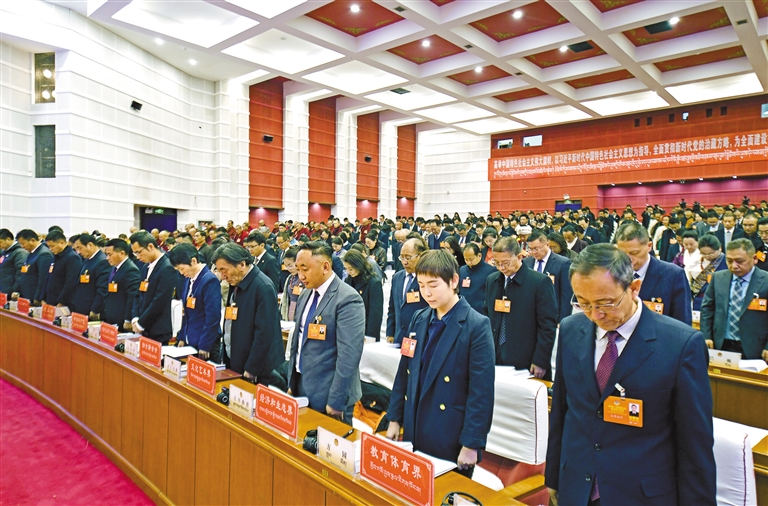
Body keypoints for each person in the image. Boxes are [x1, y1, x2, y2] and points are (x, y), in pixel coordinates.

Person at [546, 244, 716, 506]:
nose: (596, 314)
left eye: (606, 303)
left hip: (641, 494)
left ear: (634, 288)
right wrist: (554, 478)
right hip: (577, 486)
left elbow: (695, 442)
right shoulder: (571, 329)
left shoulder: (680, 344)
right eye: (584, 303)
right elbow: (562, 411)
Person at [386, 250, 495, 477]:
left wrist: (472, 443)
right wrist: (395, 418)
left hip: (449, 432)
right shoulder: (419, 318)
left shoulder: (476, 325)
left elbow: (481, 392)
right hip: (415, 423)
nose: (426, 292)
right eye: (421, 285)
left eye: (433, 285)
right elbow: (404, 372)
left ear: (454, 281)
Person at [287, 241, 365, 424]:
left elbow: (349, 355)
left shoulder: (348, 299)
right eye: (298, 269)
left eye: (305, 269)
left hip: (329, 393)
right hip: (301, 386)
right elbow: (298, 341)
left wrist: (336, 400)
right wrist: (292, 382)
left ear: (325, 266)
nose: (300, 276)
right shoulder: (306, 294)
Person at [484, 237, 557, 379]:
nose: (501, 267)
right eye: (497, 263)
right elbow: (487, 316)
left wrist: (540, 360)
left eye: (506, 263)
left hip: (527, 358)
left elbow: (547, 326)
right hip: (496, 354)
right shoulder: (492, 280)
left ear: (519, 257)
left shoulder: (539, 282)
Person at [213, 243, 284, 382]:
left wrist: (252, 367)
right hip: (235, 358)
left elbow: (264, 333)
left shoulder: (262, 287)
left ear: (241, 264)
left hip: (255, 368)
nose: (222, 276)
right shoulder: (236, 282)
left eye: (224, 270)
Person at [700, 238, 768, 361]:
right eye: (729, 261)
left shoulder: (765, 281)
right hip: (720, 343)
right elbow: (707, 309)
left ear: (754, 259)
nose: (734, 266)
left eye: (739, 261)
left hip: (756, 346)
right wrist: (706, 336)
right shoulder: (718, 278)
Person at [614, 221, 692, 325]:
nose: (629, 259)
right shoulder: (611, 274)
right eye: (623, 254)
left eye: (634, 253)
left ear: (649, 246)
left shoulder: (673, 274)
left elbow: (682, 322)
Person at [169, 243, 222, 362]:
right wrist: (182, 337)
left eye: (181, 269)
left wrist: (205, 344)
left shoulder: (209, 280)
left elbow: (213, 316)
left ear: (193, 261)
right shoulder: (188, 279)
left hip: (205, 342)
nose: (181, 273)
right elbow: (186, 313)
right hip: (190, 339)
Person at [130, 231, 176, 344]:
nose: (138, 257)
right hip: (142, 327)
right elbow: (138, 294)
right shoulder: (145, 267)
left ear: (150, 246)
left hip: (157, 330)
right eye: (135, 253)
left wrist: (141, 323)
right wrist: (135, 318)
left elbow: (160, 300)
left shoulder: (167, 267)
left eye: (139, 252)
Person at [523, 229, 573, 323]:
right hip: (530, 316)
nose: (534, 252)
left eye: (536, 248)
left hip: (552, 316)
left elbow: (566, 296)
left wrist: (563, 321)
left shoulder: (563, 263)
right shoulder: (526, 263)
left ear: (547, 245)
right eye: (531, 249)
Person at [386, 238, 429, 344]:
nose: (404, 262)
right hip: (399, 337)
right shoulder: (397, 277)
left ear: (420, 256)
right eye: (402, 257)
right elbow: (392, 307)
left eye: (408, 258)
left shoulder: (427, 278)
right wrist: (390, 333)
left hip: (419, 337)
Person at [342, 249, 383, 340]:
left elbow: (375, 315)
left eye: (351, 269)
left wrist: (370, 337)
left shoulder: (373, 283)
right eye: (346, 269)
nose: (348, 272)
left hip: (366, 330)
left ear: (359, 265)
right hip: (350, 330)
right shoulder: (348, 281)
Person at [69, 233, 111, 319]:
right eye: (76, 249)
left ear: (90, 245)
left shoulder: (102, 261)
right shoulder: (87, 259)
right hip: (80, 307)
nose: (78, 252)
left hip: (90, 309)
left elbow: (102, 288)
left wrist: (95, 309)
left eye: (79, 248)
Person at [101, 238, 140, 329]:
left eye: (110, 254)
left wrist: (128, 319)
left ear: (121, 253)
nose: (107, 258)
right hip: (111, 315)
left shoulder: (130, 269)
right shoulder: (114, 268)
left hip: (121, 319)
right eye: (106, 255)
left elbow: (132, 296)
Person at [41, 230, 82, 308]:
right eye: (49, 246)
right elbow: (47, 278)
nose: (50, 249)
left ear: (62, 243)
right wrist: (43, 297)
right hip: (49, 300)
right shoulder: (55, 257)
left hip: (61, 303)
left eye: (52, 246)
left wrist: (62, 302)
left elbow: (70, 283)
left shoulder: (72, 257)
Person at [15, 229, 53, 304]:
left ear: (32, 240)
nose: (22, 246)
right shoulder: (31, 253)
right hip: (26, 295)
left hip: (34, 296)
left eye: (23, 243)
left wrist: (37, 297)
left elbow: (43, 278)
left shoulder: (44, 254)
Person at [458, 243, 496, 314]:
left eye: (471, 259)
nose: (468, 262)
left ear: (479, 256)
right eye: (466, 259)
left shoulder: (491, 271)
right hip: (463, 310)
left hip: (481, 313)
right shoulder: (462, 270)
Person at [0, 228, 28, 296]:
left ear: (8, 239)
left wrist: (16, 290)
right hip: (3, 289)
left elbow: (20, 273)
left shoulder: (20, 252)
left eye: (0, 242)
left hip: (11, 291)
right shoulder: (4, 252)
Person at [279, 247, 304, 321]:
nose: (288, 269)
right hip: (290, 310)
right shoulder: (290, 278)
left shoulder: (305, 278)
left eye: (290, 266)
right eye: (286, 266)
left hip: (301, 311)